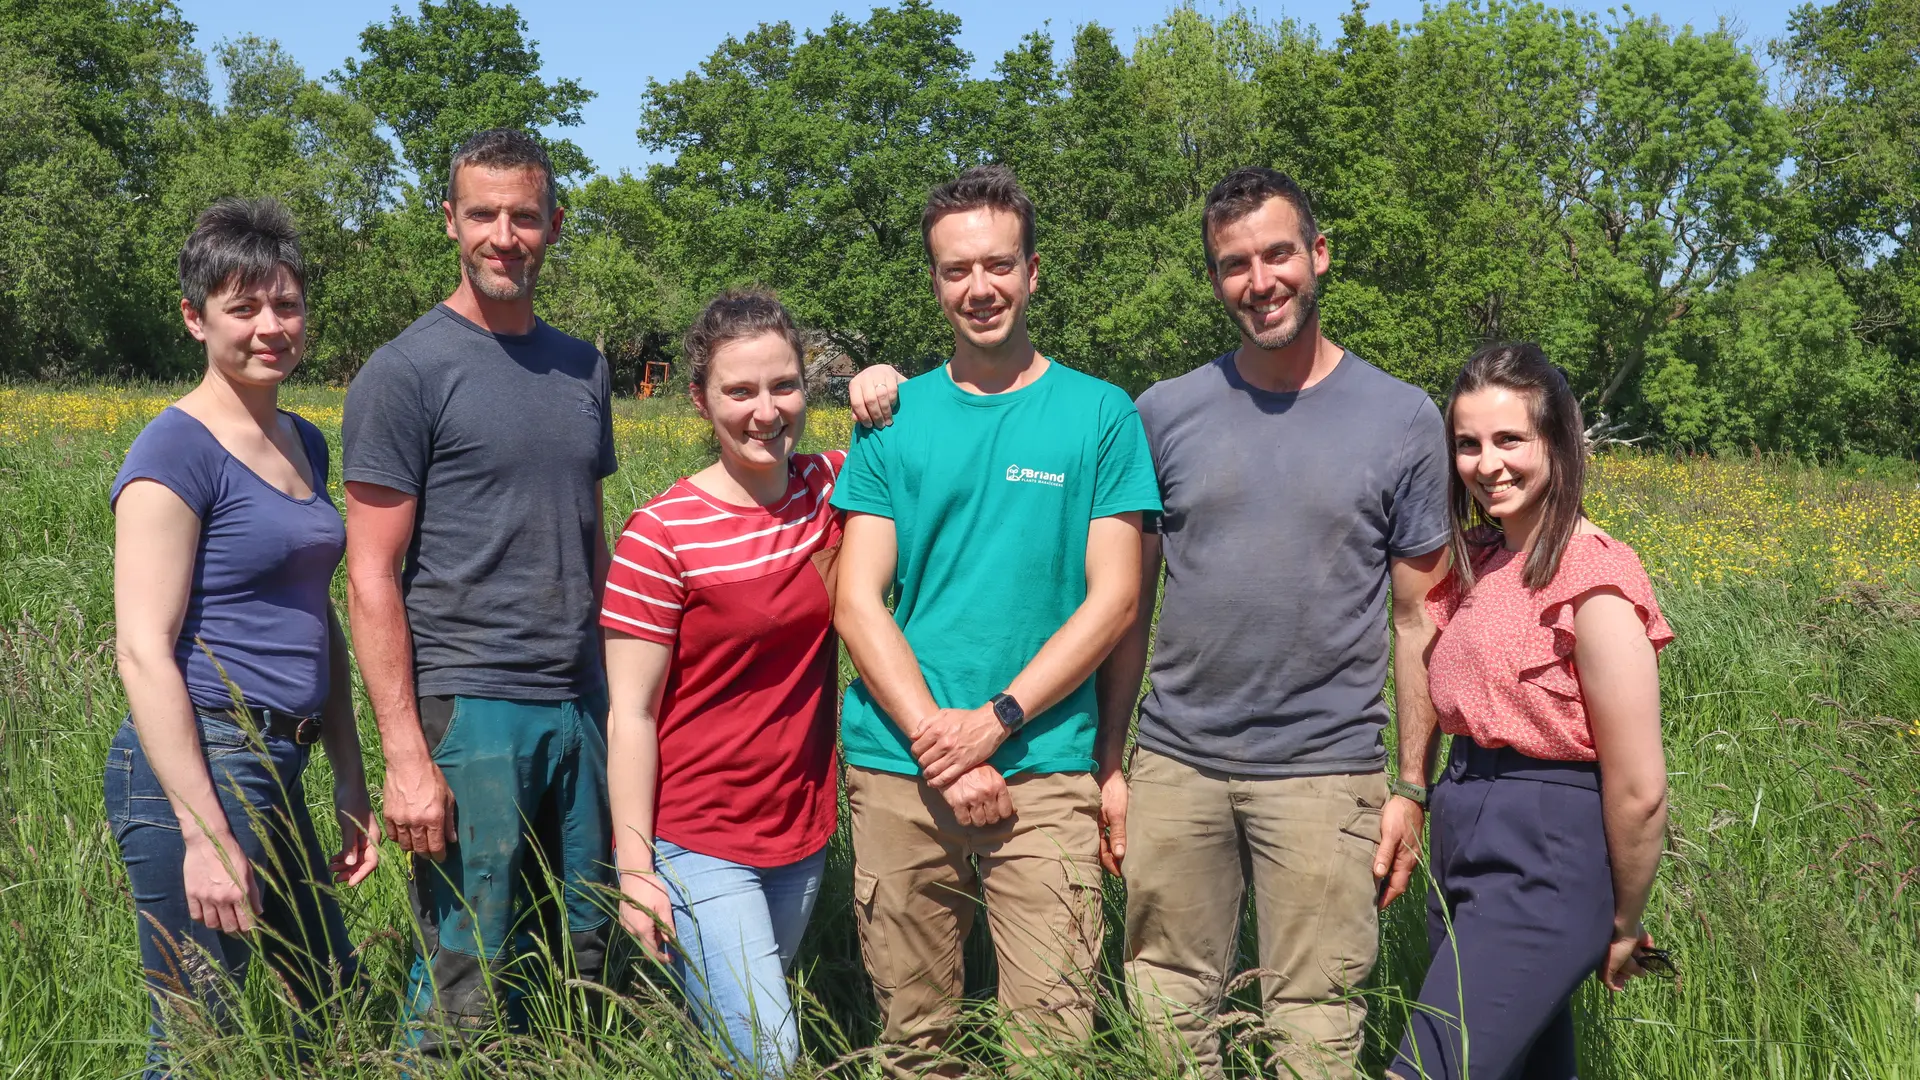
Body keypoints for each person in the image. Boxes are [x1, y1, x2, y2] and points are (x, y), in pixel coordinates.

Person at [1097, 166, 1453, 1078]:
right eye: (1234, 264)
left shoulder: (1404, 419)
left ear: (1319, 254)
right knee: (1167, 1008)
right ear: (1216, 278)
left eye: (1278, 254)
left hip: (1327, 772)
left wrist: (1411, 788)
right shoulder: (1162, 412)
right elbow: (1127, 609)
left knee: (1316, 1026)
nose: (1260, 281)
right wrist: (1112, 763)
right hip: (1176, 764)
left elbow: (1421, 619)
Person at [831, 164, 1163, 1076]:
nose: (980, 288)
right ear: (935, 282)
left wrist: (996, 721)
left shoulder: (1100, 415)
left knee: (1052, 1042)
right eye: (957, 270)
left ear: (1033, 271)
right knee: (915, 1042)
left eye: (999, 265)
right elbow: (856, 600)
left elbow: (1116, 599)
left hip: (1045, 762)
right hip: (901, 766)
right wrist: (941, 741)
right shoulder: (892, 419)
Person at [342, 128, 617, 1055]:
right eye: (483, 213)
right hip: (471, 706)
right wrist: (405, 756)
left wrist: (620, 696)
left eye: (524, 215)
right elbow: (371, 575)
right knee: (467, 969)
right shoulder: (406, 371)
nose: (505, 235)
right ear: (450, 221)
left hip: (581, 701)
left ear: (555, 224)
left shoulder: (584, 367)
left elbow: (590, 535)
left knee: (585, 951)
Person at [106, 197, 380, 1079]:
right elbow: (143, 649)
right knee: (199, 1036)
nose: (271, 327)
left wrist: (348, 773)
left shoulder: (304, 441)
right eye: (244, 307)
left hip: (284, 757)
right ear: (196, 318)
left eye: (286, 305)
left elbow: (316, 614)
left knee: (328, 993)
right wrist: (203, 832)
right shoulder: (173, 453)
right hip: (204, 758)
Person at [600, 290, 900, 1074]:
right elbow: (630, 713)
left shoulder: (831, 487)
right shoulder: (660, 536)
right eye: (739, 391)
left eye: (783, 385)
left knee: (723, 1046)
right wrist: (635, 868)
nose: (765, 411)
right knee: (769, 1053)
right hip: (697, 836)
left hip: (800, 831)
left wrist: (886, 381)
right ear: (701, 401)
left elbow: (918, 437)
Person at [1388, 343, 1672, 1080]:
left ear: (1558, 440)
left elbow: (1640, 788)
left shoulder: (1596, 576)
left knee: (1432, 1068)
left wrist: (1623, 920)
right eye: (1468, 444)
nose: (1488, 464)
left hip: (1545, 849)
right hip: (1463, 822)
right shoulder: (1480, 559)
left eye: (1510, 439)